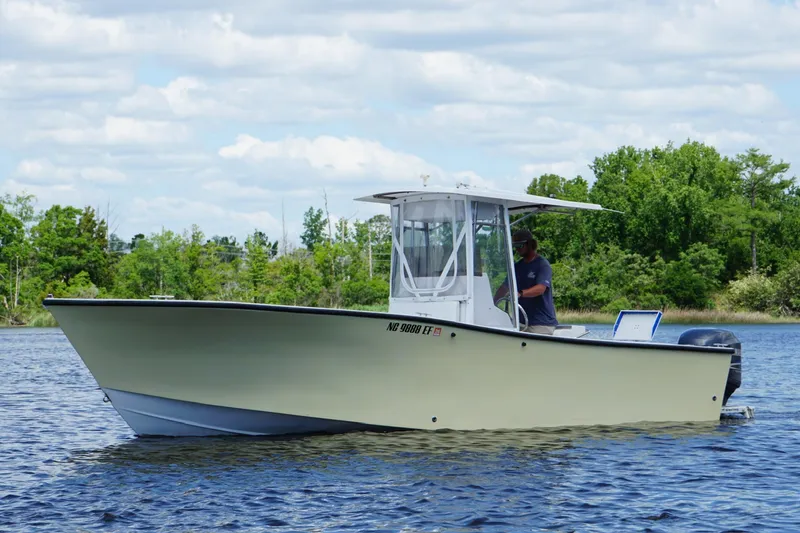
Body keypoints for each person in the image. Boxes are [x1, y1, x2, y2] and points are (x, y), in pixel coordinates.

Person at [494, 229, 559, 334]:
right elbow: (505, 287)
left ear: (529, 244)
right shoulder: (517, 267)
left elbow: (541, 288)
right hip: (521, 322)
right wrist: (492, 304)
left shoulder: (542, 265)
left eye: (520, 246)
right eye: (515, 247)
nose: (517, 249)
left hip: (541, 323)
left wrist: (520, 294)